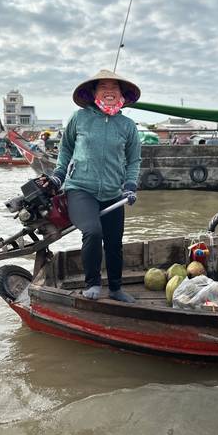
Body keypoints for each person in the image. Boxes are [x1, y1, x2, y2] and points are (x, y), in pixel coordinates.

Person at [48, 69, 142, 303]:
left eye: (114, 88)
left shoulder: (128, 126)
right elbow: (66, 149)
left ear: (121, 94)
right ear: (93, 93)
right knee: (93, 231)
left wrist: (130, 184)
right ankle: (92, 284)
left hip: (113, 192)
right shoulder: (79, 118)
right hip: (80, 188)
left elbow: (134, 160)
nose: (109, 92)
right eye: (103, 87)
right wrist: (59, 174)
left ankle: (116, 288)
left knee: (114, 242)